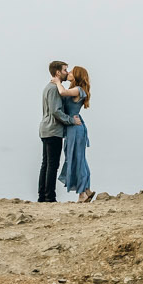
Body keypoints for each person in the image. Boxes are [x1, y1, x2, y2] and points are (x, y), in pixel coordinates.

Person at [38, 61, 80, 202]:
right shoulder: (54, 89)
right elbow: (56, 111)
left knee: (46, 164)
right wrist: (71, 120)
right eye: (64, 70)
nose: (67, 73)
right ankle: (50, 197)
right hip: (53, 130)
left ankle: (42, 196)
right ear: (57, 72)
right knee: (52, 165)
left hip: (46, 129)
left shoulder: (49, 87)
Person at [57, 65, 94, 202]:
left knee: (77, 159)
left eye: (72, 72)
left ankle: (82, 193)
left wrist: (57, 82)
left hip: (75, 128)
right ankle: (86, 189)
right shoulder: (77, 89)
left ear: (77, 75)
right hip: (74, 127)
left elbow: (62, 93)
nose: (69, 73)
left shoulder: (78, 90)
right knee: (80, 159)